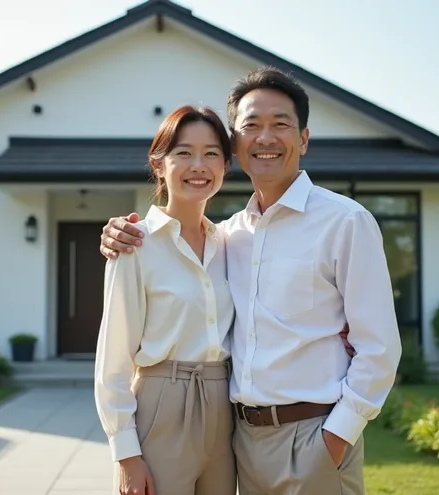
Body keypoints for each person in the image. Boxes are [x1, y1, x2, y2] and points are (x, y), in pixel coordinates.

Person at [99, 67, 402, 495]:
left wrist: (335, 438)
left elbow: (380, 347)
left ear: (304, 139)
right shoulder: (229, 235)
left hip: (314, 435)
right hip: (240, 440)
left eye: (281, 125)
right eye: (251, 126)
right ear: (237, 144)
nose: (265, 137)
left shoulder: (345, 221)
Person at [94, 104, 237, 495]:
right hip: (162, 403)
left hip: (225, 407)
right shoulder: (135, 244)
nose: (199, 165)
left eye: (211, 154)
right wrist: (126, 454)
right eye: (183, 153)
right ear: (159, 165)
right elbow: (114, 359)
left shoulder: (233, 244)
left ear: (225, 165)